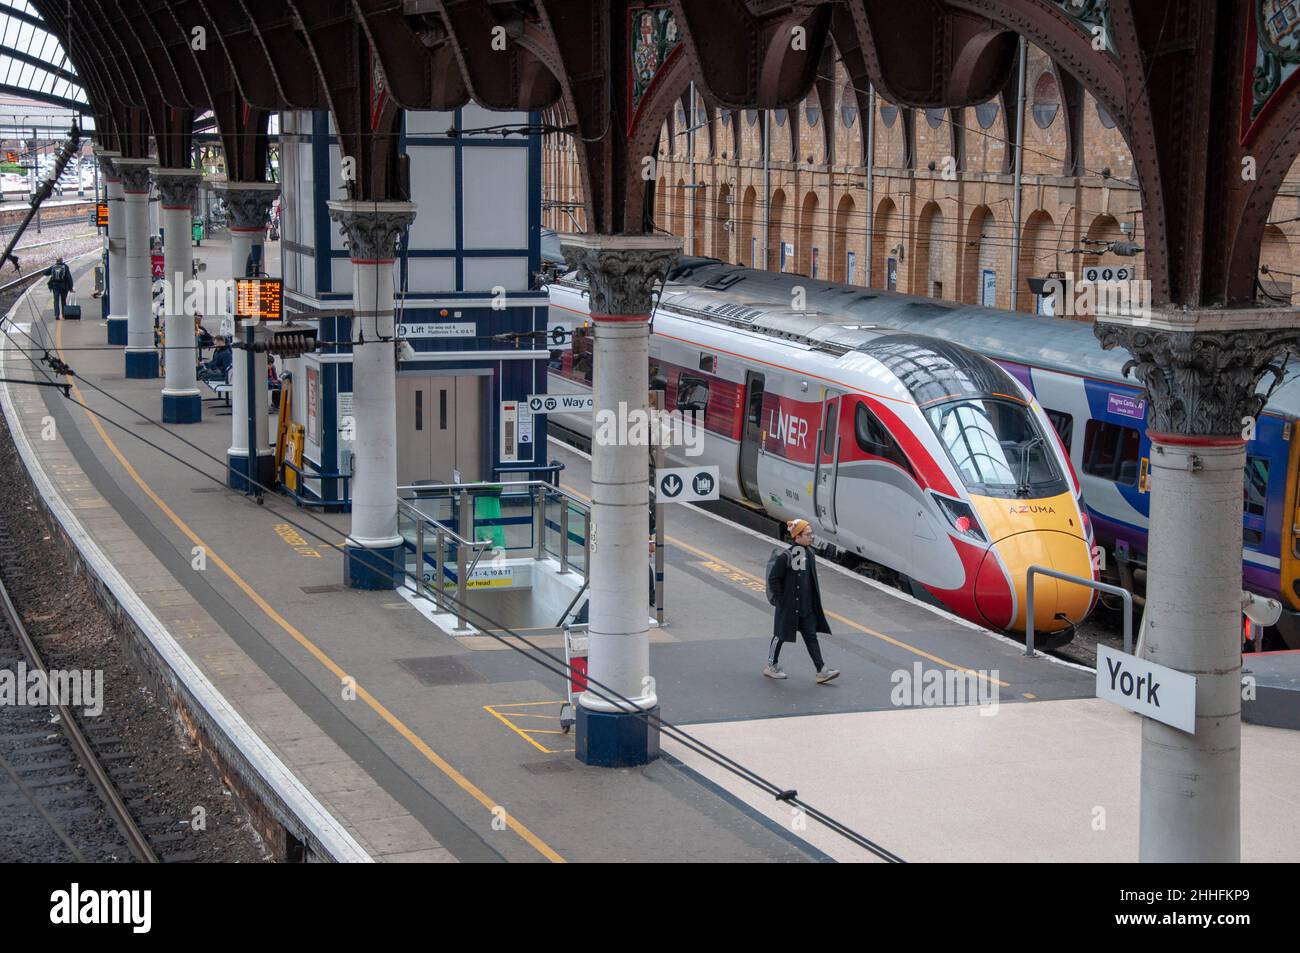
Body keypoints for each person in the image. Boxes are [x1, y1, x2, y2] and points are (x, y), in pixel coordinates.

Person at [764, 518, 840, 683]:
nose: (811, 537)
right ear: (797, 537)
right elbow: (774, 579)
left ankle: (821, 670)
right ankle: (771, 666)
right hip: (789, 606)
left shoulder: (809, 553)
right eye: (807, 534)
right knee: (780, 636)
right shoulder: (786, 556)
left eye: (811, 534)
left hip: (806, 608)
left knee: (811, 636)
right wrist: (781, 601)